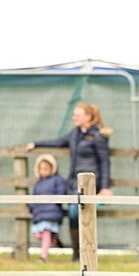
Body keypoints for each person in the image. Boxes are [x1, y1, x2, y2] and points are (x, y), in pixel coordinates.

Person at [25, 102, 113, 260]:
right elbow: (58, 142)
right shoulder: (75, 134)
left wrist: (105, 187)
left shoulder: (98, 136)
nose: (74, 117)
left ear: (89, 117)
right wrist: (36, 144)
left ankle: (87, 252)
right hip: (74, 185)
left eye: (77, 115)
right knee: (74, 215)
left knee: (77, 212)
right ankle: (77, 253)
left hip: (92, 185)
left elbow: (104, 162)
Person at [29, 154, 67, 263]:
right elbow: (34, 198)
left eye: (46, 168)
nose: (44, 171)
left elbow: (61, 194)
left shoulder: (57, 180)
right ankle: (54, 239)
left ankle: (43, 257)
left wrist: (53, 203)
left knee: (46, 232)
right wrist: (32, 208)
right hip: (39, 213)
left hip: (51, 213)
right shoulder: (38, 183)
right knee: (38, 234)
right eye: (41, 168)